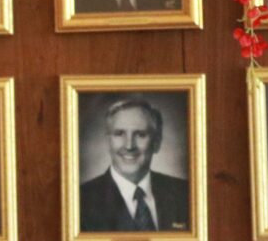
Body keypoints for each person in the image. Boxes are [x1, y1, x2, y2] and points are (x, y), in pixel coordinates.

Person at [80, 97, 189, 232]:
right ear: (108, 142)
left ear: (157, 143)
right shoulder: (81, 201)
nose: (129, 145)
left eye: (140, 135)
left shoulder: (185, 194)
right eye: (119, 134)